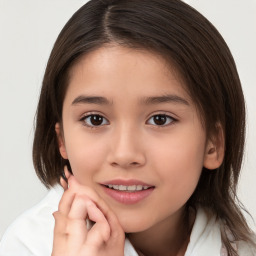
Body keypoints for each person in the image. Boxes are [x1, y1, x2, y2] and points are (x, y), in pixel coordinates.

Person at [0, 0, 255, 255]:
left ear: (213, 144)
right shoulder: (28, 245)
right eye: (95, 119)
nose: (124, 154)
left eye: (160, 119)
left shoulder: (242, 249)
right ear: (62, 140)